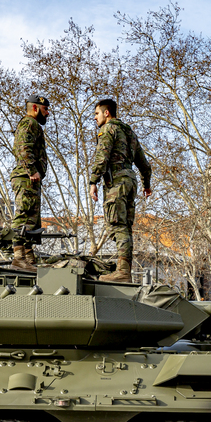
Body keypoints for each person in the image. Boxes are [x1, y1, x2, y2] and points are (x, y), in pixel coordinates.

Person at [88, 98, 152, 283]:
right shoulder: (129, 132)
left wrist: (94, 181)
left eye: (97, 114)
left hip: (116, 182)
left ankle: (122, 272)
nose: (95, 118)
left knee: (117, 226)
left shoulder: (108, 129)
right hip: (130, 182)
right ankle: (125, 270)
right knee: (125, 227)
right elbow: (144, 164)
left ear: (106, 113)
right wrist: (146, 184)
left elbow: (102, 156)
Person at [10, 95, 50, 271]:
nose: (47, 113)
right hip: (26, 177)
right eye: (45, 109)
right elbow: (23, 146)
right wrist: (32, 169)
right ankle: (19, 258)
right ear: (35, 108)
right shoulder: (29, 123)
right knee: (24, 216)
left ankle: (28, 257)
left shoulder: (32, 125)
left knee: (31, 220)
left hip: (29, 178)